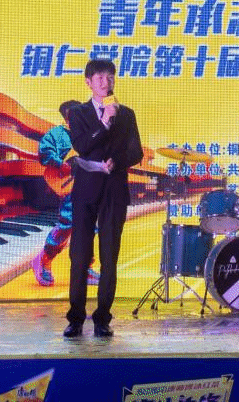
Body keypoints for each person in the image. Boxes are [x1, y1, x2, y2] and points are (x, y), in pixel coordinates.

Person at [63, 59, 143, 338]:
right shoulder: (78, 113)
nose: (105, 83)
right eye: (99, 78)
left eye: (110, 77)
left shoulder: (127, 114)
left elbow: (136, 152)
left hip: (114, 191)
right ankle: (75, 319)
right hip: (86, 191)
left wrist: (117, 161)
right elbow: (82, 145)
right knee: (79, 256)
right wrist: (104, 121)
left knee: (109, 257)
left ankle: (102, 319)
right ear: (88, 82)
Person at [31, 100, 101, 287]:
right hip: (69, 186)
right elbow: (44, 152)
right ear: (67, 118)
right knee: (67, 225)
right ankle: (43, 261)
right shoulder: (57, 134)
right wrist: (60, 163)